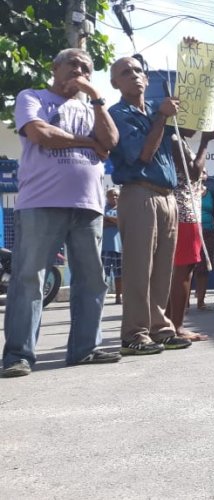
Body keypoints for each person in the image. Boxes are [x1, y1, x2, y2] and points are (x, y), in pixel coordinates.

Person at [3, 48, 121, 377]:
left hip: (88, 205)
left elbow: (110, 142)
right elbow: (41, 134)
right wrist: (88, 143)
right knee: (28, 279)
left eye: (87, 68)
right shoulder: (33, 96)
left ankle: (85, 349)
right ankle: (18, 355)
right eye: (73, 64)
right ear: (55, 67)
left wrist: (98, 98)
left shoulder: (90, 107)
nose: (79, 71)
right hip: (40, 203)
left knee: (92, 281)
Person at [109, 55, 192, 354]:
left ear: (147, 78)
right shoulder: (118, 114)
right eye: (125, 72)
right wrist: (161, 117)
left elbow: (191, 130)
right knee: (138, 267)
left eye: (138, 70)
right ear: (114, 83)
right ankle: (133, 334)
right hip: (139, 193)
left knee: (161, 269)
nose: (134, 75)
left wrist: (193, 63)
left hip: (167, 195)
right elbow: (142, 155)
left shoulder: (157, 110)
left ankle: (159, 328)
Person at [166, 129, 214, 340]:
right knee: (183, 269)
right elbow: (193, 173)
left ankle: (170, 323)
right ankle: (176, 326)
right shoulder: (174, 138)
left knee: (180, 269)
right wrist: (205, 141)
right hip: (184, 213)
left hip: (185, 211)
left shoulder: (178, 139)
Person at [195, 171, 214, 309]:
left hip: (208, 232)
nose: (201, 173)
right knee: (188, 267)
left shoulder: (212, 194)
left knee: (203, 267)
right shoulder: (188, 191)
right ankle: (184, 303)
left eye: (204, 171)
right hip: (191, 230)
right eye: (199, 170)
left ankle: (200, 301)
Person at [102, 188, 123, 305]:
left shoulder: (123, 209)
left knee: (119, 274)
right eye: (111, 195)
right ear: (107, 197)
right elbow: (100, 224)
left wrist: (107, 218)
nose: (114, 197)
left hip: (119, 247)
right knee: (102, 274)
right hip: (104, 247)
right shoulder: (103, 208)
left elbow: (122, 222)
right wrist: (114, 222)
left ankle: (118, 297)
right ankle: (100, 297)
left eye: (116, 195)